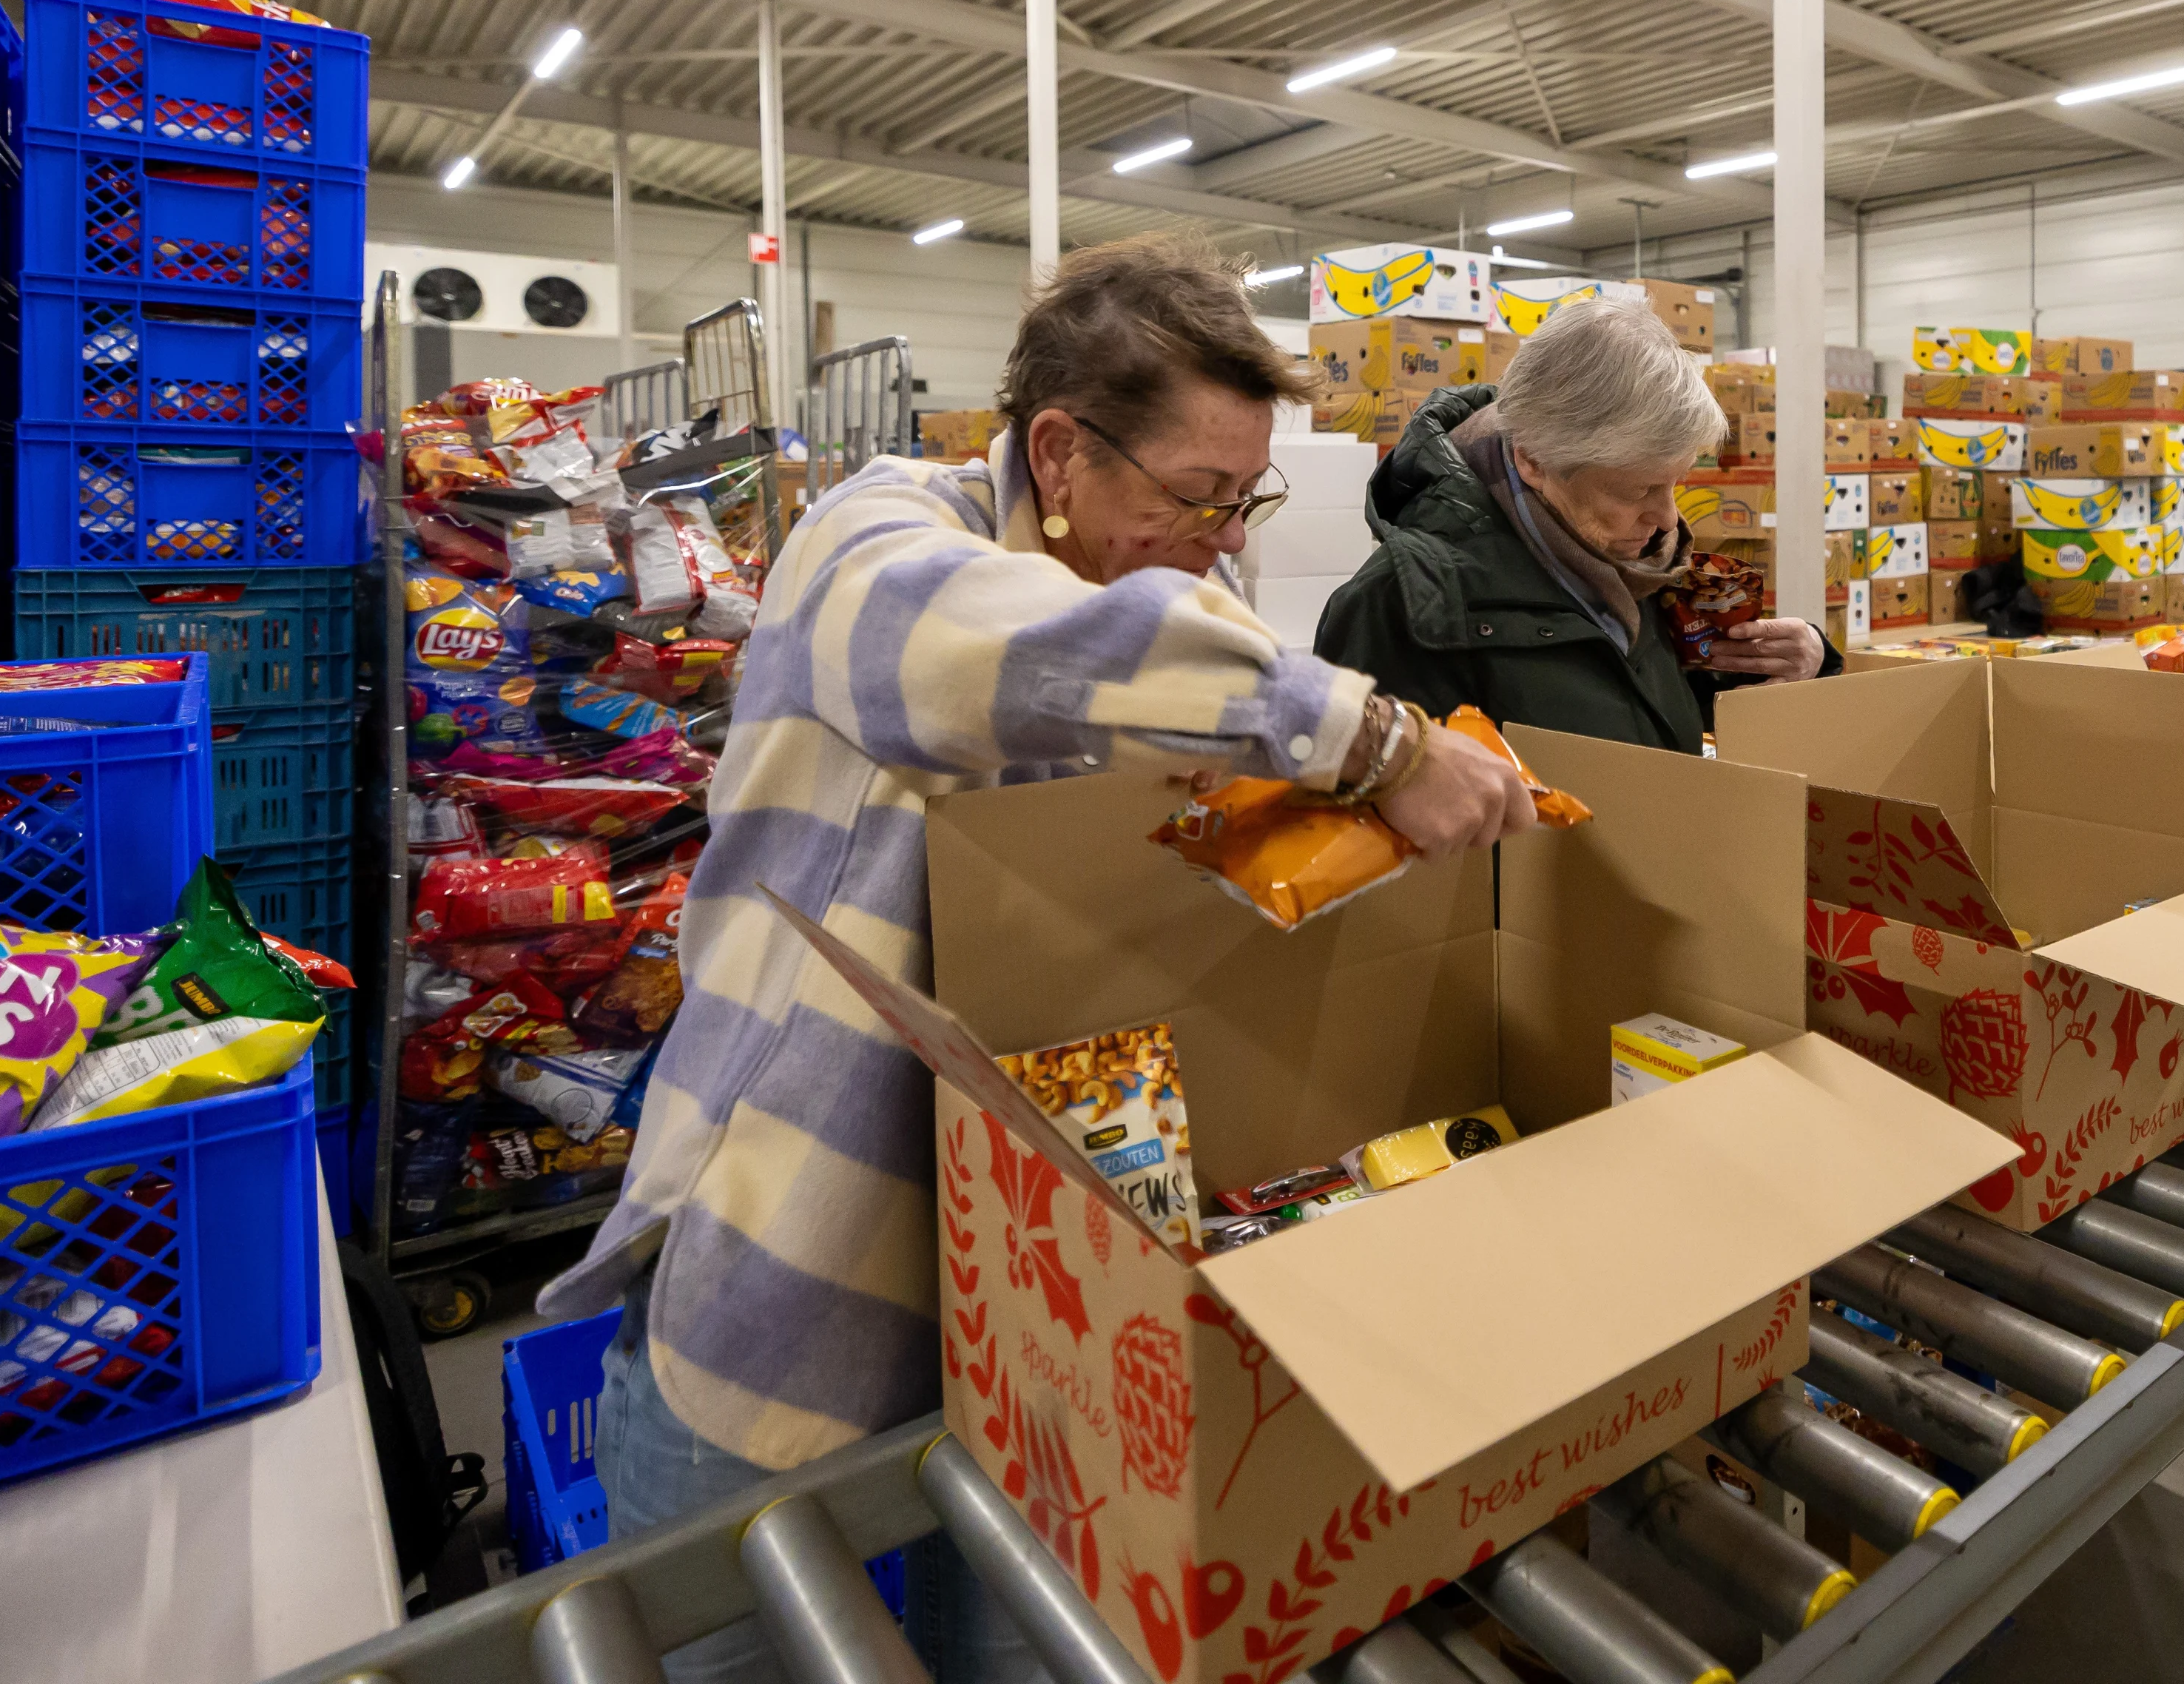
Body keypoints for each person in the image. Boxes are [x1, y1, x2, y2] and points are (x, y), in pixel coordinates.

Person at [539, 235, 1537, 1684]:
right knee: (733, 1636)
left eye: (1245, 499)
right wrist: (1377, 738)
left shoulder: (1176, 594)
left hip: (1039, 1293)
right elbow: (986, 656)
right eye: (1202, 496)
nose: (1224, 538)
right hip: (794, 1254)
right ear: (1059, 451)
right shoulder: (871, 541)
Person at [1314, 298, 1838, 749]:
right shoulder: (1396, 608)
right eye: (1638, 490)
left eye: (1675, 483)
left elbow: (1660, 715)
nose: (1667, 518)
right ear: (1535, 462)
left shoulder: (1640, 568)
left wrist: (1805, 661)